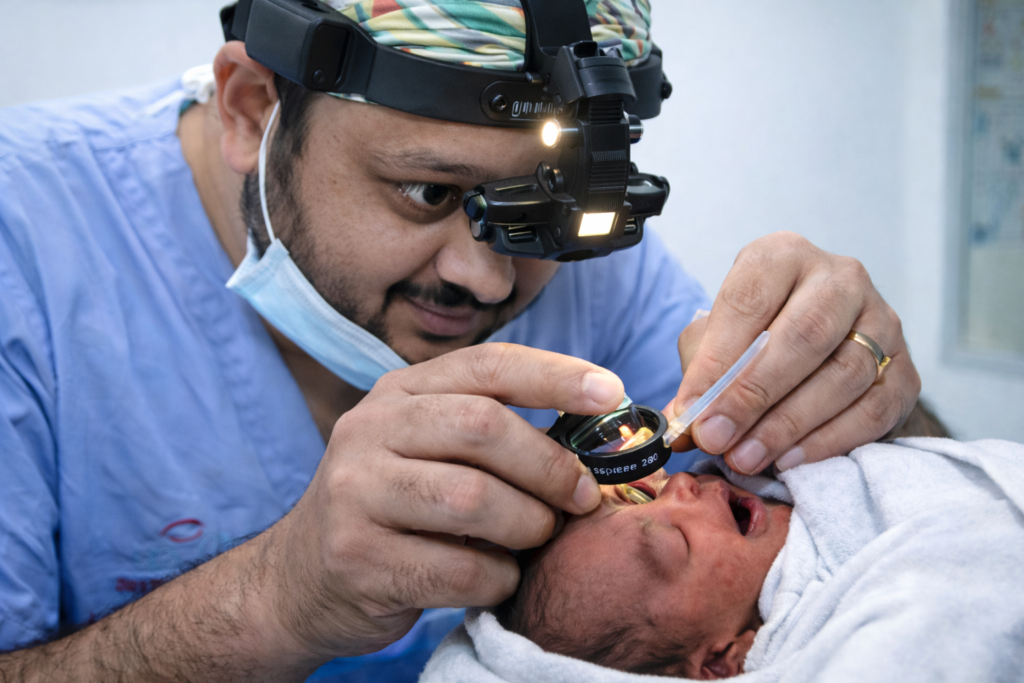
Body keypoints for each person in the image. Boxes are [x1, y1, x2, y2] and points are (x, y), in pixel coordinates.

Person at [0, 0, 922, 680]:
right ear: (251, 106)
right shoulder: (27, 247)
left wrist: (868, 388)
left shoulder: (600, 276)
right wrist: (275, 597)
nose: (486, 279)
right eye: (429, 193)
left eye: (542, 214)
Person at [422, 433, 1024, 681]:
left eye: (641, 493)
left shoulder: (763, 475)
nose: (682, 486)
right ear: (722, 658)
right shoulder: (830, 634)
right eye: (675, 541)